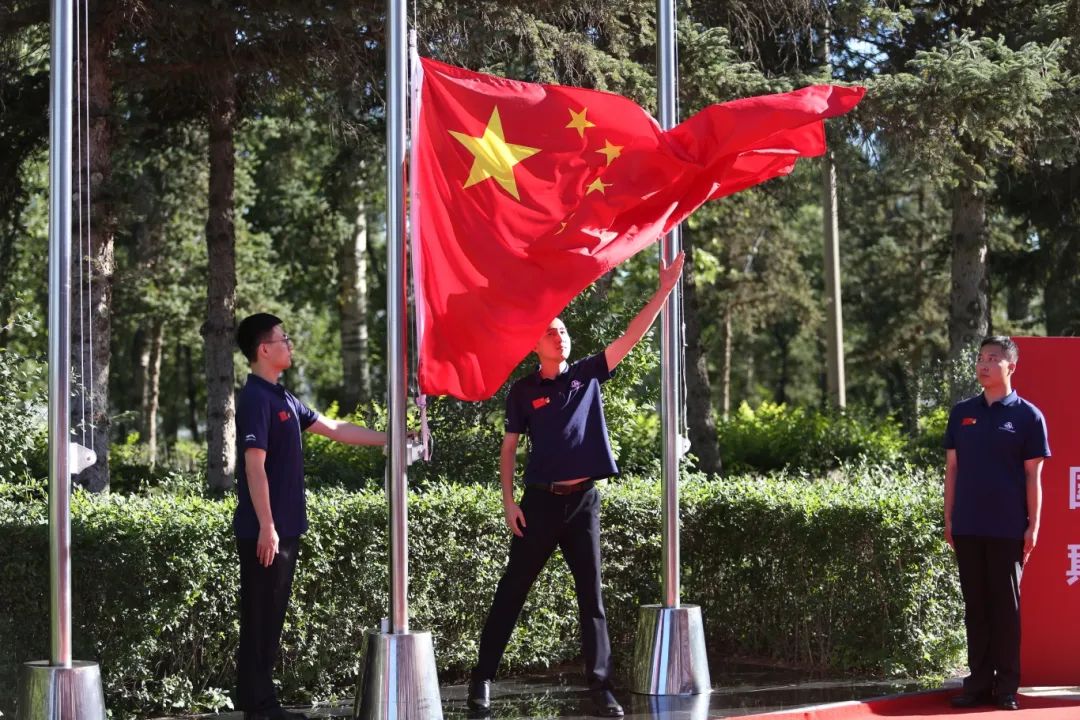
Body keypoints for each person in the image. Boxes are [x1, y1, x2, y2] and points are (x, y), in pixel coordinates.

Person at [467, 253, 685, 718]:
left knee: (592, 598)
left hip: (583, 502)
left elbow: (631, 336)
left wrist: (664, 290)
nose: (560, 336)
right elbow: (509, 448)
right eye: (551, 331)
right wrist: (508, 502)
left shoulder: (587, 374)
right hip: (539, 504)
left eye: (563, 330)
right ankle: (481, 679)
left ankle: (601, 689)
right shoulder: (523, 391)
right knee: (512, 590)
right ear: (535, 345)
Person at [233, 313, 387, 720]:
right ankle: (260, 707)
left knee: (270, 617)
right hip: (266, 531)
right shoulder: (255, 398)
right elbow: (254, 466)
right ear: (264, 349)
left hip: (284, 529)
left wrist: (390, 438)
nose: (289, 344)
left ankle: (258, 704)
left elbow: (334, 428)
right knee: (261, 618)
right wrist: (267, 526)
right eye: (283, 338)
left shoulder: (283, 397)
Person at [944, 336, 1049, 712]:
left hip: (1007, 528)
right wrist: (949, 517)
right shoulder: (962, 413)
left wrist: (1033, 525)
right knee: (976, 607)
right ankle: (976, 684)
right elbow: (952, 469)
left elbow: (1033, 476)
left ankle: (1006, 687)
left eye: (993, 358)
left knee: (1005, 609)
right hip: (968, 525)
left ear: (1011, 366)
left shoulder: (1028, 416)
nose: (984, 364)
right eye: (980, 358)